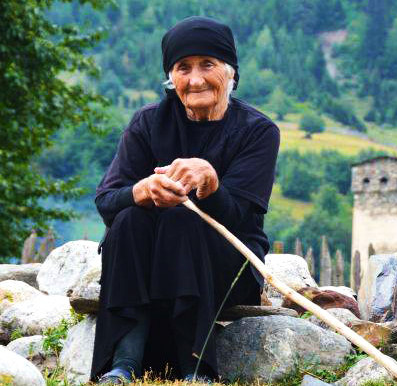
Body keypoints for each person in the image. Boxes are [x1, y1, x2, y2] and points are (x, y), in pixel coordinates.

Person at [92, 16, 280, 384]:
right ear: (171, 78)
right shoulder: (147, 124)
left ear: (230, 73)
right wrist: (142, 191)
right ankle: (122, 365)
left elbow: (242, 219)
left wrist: (211, 185)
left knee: (182, 219)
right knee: (130, 218)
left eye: (207, 65)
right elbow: (107, 203)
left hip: (225, 267)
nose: (195, 79)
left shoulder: (257, 132)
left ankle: (197, 369)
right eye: (183, 68)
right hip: (148, 265)